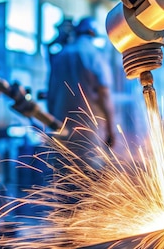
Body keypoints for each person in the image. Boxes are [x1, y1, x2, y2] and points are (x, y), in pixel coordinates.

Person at [46, 17, 116, 167]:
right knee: (90, 180)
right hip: (89, 131)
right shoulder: (95, 56)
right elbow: (104, 95)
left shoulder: (60, 56)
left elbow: (50, 96)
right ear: (92, 33)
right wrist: (111, 130)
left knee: (64, 177)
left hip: (61, 128)